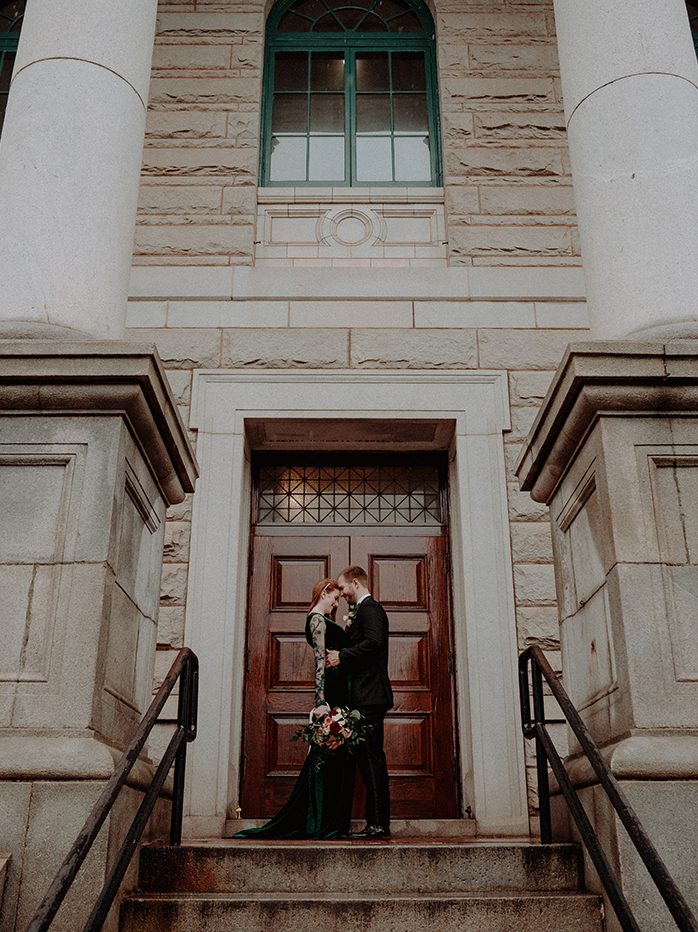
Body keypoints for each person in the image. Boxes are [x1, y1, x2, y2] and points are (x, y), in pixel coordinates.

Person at [234, 578, 355, 839]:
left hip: (339, 690)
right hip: (331, 693)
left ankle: (327, 818)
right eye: (334, 598)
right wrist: (321, 701)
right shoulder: (316, 619)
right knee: (327, 755)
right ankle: (319, 821)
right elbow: (320, 661)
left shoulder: (324, 620)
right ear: (324, 592)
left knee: (334, 756)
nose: (336, 603)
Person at [326, 564, 393, 839]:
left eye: (342, 588)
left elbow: (374, 643)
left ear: (355, 583)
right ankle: (375, 822)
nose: (342, 594)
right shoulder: (361, 612)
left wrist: (343, 655)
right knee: (367, 761)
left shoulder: (371, 609)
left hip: (370, 697)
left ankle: (378, 824)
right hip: (363, 697)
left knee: (371, 760)